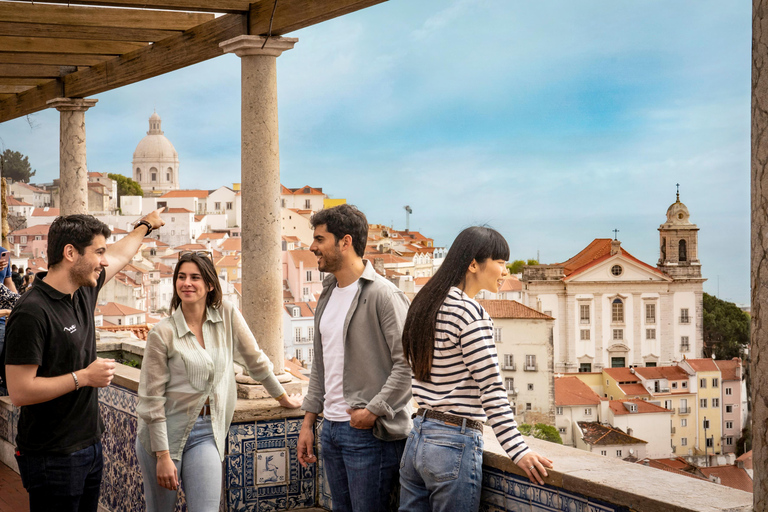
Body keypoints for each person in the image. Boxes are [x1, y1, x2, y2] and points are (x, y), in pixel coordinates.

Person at [4, 210, 165, 512]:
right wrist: (84, 377)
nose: (105, 260)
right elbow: (20, 391)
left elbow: (121, 254)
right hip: (52, 456)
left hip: (88, 445)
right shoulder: (31, 313)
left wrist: (145, 225)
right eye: (98, 252)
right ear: (70, 253)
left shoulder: (82, 292)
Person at [399, 226, 554, 512]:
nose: (505, 271)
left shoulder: (423, 304)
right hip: (452, 444)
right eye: (501, 262)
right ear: (473, 264)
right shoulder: (469, 312)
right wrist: (518, 450)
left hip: (419, 436)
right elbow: (492, 388)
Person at [136, 250, 302, 512]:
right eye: (181, 277)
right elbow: (151, 400)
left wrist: (281, 396)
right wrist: (163, 456)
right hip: (164, 436)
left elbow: (254, 359)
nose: (187, 283)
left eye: (195, 277)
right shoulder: (162, 333)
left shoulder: (226, 314)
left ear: (210, 284)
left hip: (207, 432)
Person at [297, 204, 412, 512]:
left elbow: (408, 365)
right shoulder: (327, 294)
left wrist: (373, 411)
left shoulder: (384, 295)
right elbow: (321, 365)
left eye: (320, 239)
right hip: (332, 429)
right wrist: (309, 422)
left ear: (345, 242)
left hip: (368, 433)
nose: (312, 247)